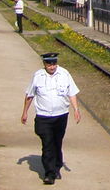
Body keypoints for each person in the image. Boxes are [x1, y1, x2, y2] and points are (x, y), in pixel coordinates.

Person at [21, 52, 81, 185]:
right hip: (43, 116)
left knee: (57, 142)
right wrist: (25, 112)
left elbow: (72, 93)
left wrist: (76, 109)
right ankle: (49, 173)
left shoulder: (65, 74)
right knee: (48, 143)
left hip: (61, 115)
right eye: (49, 64)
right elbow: (29, 95)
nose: (52, 67)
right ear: (44, 64)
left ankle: (57, 166)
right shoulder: (38, 76)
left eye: (54, 63)